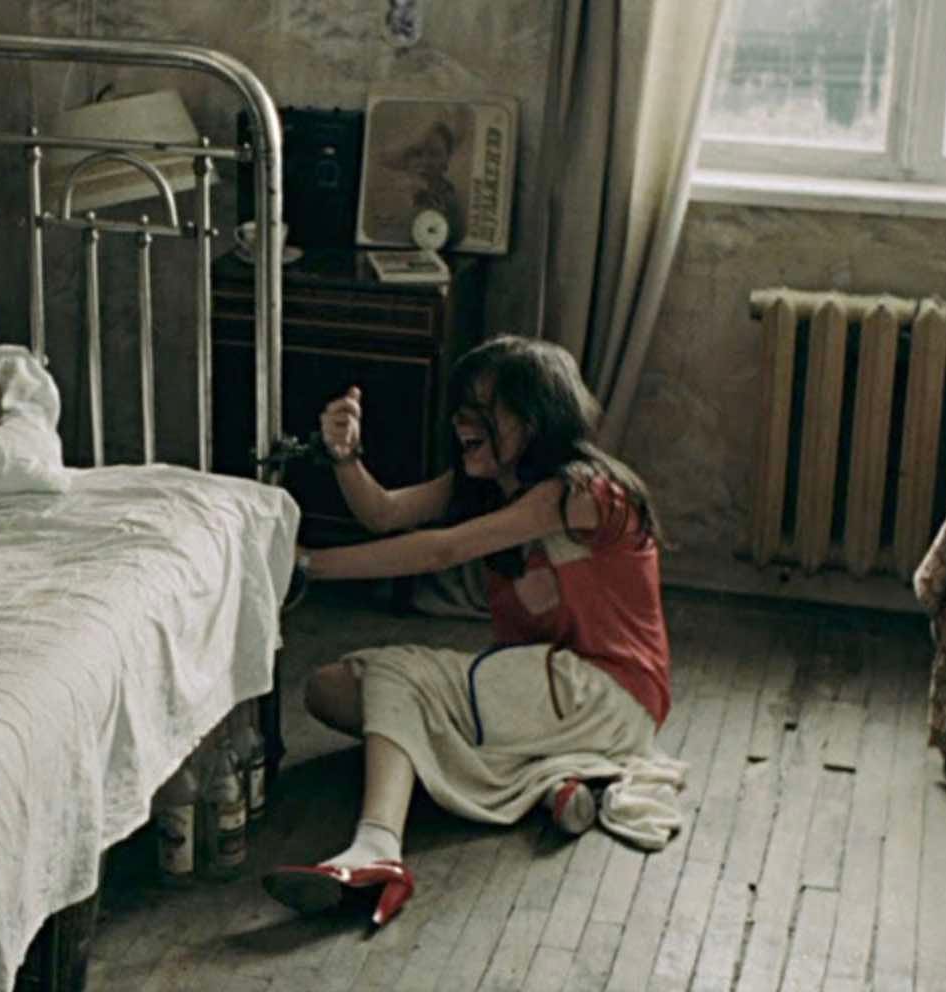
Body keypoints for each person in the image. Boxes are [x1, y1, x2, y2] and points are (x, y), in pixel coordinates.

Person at [263, 335, 674, 928]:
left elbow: (442, 550)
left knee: (395, 674)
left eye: (484, 409)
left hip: (606, 692)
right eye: (461, 407)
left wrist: (306, 566)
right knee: (329, 689)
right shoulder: (482, 485)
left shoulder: (579, 490)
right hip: (547, 693)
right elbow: (382, 513)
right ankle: (552, 779)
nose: (462, 422)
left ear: (534, 418)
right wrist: (345, 457)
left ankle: (376, 848)